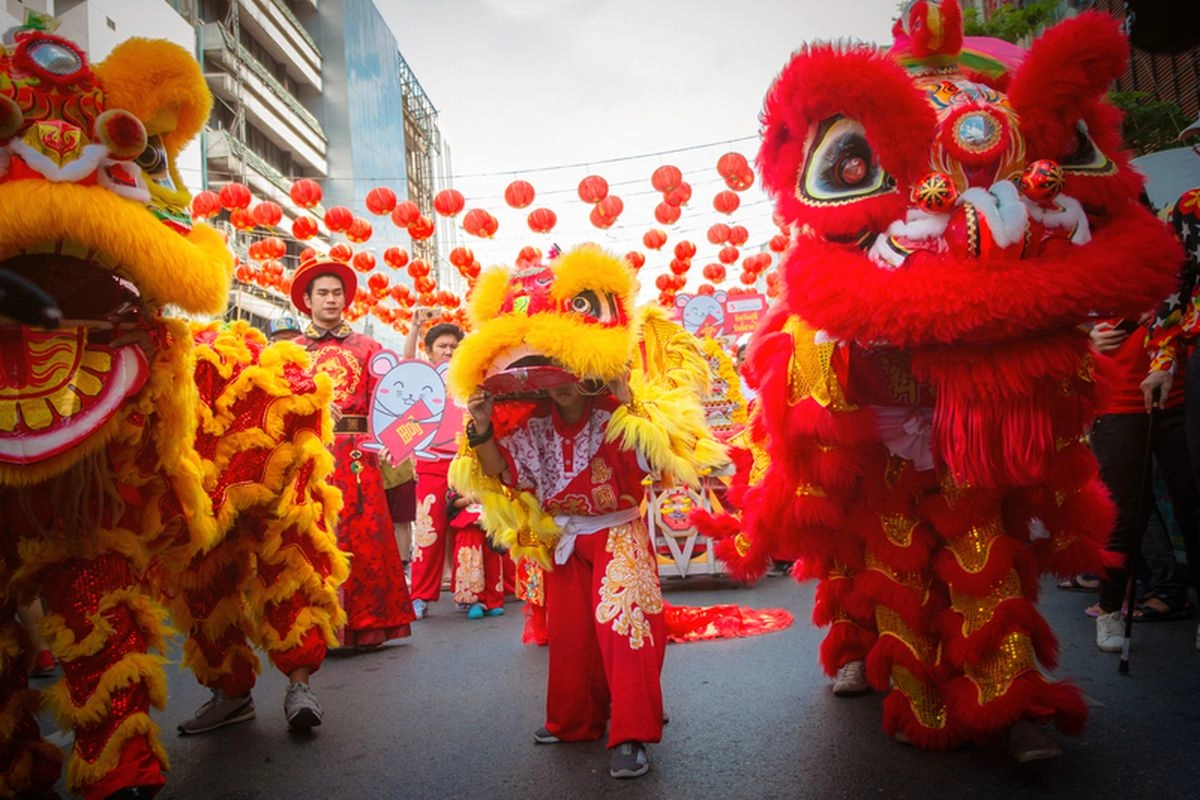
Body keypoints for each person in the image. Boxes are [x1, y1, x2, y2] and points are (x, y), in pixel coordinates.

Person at [292, 257, 415, 647]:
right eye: (323, 293)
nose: (331, 299)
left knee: (364, 540)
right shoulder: (292, 352)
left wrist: (399, 442)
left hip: (360, 456)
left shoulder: (368, 347)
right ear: (308, 300)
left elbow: (391, 399)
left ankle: (368, 626)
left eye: (337, 293)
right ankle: (315, 627)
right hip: (312, 456)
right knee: (314, 538)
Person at [1088, 316, 1200, 651]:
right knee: (1123, 511)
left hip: (1177, 396)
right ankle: (1109, 610)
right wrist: (1085, 337)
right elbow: (1052, 315)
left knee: (1194, 507)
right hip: (1117, 401)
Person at [403, 308, 464, 619]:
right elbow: (404, 365)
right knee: (429, 531)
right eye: (442, 346)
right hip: (432, 463)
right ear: (429, 351)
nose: (448, 351)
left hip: (466, 465)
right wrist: (415, 326)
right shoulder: (421, 379)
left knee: (469, 530)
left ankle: (472, 592)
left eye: (454, 346)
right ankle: (420, 596)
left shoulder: (467, 379)